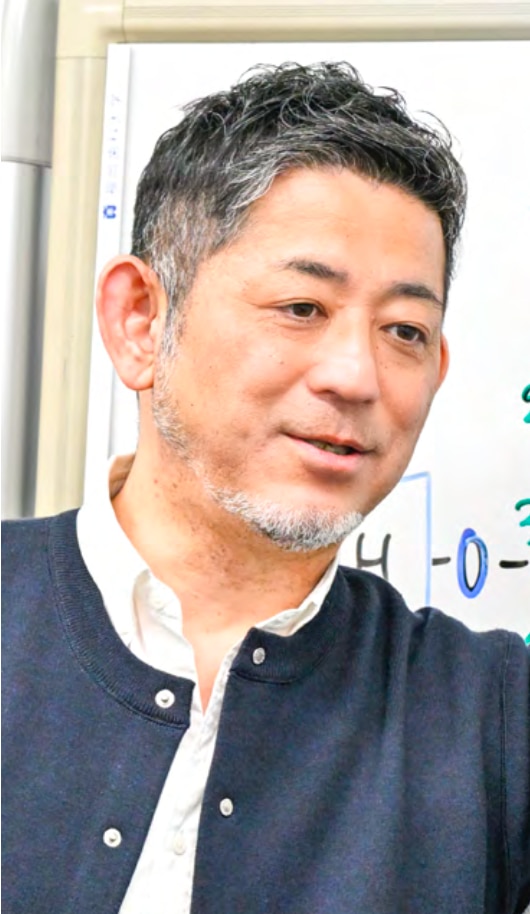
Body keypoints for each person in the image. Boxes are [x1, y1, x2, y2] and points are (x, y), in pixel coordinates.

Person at [2, 62, 529, 914]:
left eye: (403, 330)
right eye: (302, 307)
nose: (356, 376)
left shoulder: (491, 715)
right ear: (141, 319)